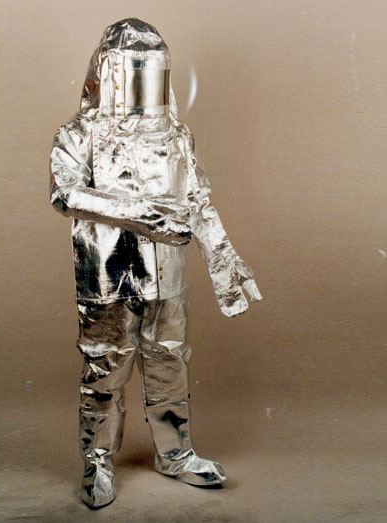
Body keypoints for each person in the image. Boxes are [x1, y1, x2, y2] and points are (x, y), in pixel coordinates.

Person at [49, 18, 262, 509]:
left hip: (167, 277)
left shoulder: (177, 136)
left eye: (153, 72)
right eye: (133, 71)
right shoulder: (80, 133)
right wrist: (143, 215)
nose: (144, 83)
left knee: (170, 363)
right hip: (106, 276)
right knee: (105, 368)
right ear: (109, 72)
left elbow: (198, 201)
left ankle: (176, 453)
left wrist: (225, 260)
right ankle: (98, 461)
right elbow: (64, 193)